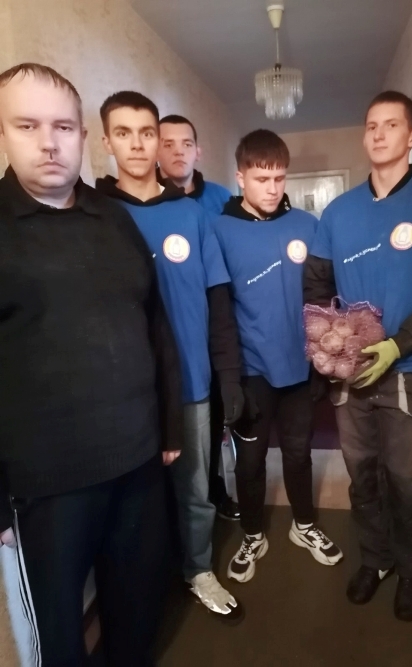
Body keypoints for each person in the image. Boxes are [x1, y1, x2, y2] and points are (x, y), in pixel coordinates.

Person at [0, 63, 183, 667]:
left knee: (138, 606)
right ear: (3, 134)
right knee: (58, 634)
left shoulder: (114, 218)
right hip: (46, 485)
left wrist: (169, 427)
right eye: (27, 125)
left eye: (62, 127)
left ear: (82, 136)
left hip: (137, 462)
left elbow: (154, 323)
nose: (49, 143)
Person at [304, 91, 412, 621]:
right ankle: (375, 559)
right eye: (371, 125)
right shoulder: (338, 212)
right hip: (351, 376)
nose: (379, 134)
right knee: (362, 477)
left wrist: (398, 344)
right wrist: (328, 340)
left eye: (391, 125)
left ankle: (410, 569)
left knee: (407, 481)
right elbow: (316, 287)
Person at [96, 92, 244, 623]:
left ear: (159, 141)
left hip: (192, 385)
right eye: (124, 133)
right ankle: (148, 585)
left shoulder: (191, 213)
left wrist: (229, 376)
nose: (137, 145)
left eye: (147, 133)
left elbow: (218, 302)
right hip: (126, 393)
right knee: (137, 501)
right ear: (106, 141)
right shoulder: (96, 215)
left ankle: (198, 568)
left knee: (196, 491)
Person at [212, 129, 343, 584]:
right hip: (252, 370)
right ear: (240, 177)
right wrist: (229, 379)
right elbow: (219, 310)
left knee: (299, 452)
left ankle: (304, 525)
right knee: (249, 462)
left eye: (279, 178)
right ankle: (253, 534)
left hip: (301, 365)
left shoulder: (307, 225)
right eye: (261, 178)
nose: (272, 188)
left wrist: (323, 360)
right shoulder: (219, 229)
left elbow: (322, 298)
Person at [157, 114, 238, 521]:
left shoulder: (222, 200)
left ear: (198, 151)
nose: (178, 152)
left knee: (214, 422)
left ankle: (215, 490)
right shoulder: (144, 205)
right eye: (167, 143)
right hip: (170, 337)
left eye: (185, 143)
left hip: (216, 328)